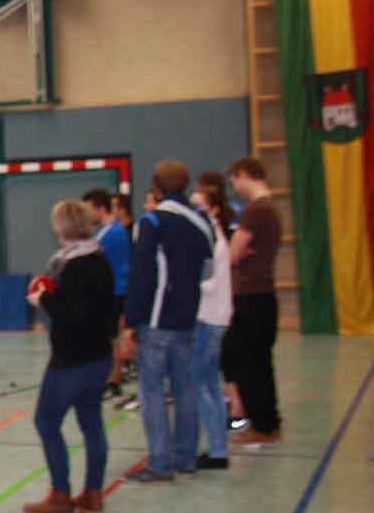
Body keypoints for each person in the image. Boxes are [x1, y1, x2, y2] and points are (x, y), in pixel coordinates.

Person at [120, 160, 214, 483]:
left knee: (152, 391)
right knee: (186, 388)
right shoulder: (201, 222)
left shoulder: (151, 222)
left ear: (157, 188)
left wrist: (131, 321)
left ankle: (160, 462)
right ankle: (185, 457)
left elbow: (142, 275)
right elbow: (208, 270)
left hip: (157, 318)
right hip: (187, 316)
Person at [23, 200, 116, 513]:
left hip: (72, 359)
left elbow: (70, 313)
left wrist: (43, 298)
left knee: (46, 420)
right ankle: (93, 491)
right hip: (100, 355)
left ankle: (60, 493)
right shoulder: (100, 259)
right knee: (91, 422)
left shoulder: (73, 267)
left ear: (60, 228)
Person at [225, 157, 283, 449]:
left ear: (244, 174)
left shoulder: (256, 211)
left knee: (249, 363)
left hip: (250, 296)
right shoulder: (270, 208)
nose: (234, 187)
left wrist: (236, 249)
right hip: (262, 295)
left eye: (234, 180)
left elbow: (232, 254)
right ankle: (266, 422)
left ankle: (263, 425)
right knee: (258, 361)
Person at [191, 174, 234, 470]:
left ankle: (218, 449)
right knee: (210, 384)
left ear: (214, 209)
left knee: (201, 385)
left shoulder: (212, 241)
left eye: (201, 207)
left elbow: (208, 284)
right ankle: (219, 447)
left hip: (208, 317)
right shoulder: (214, 235)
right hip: (215, 315)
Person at [82, 190, 131, 401]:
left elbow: (87, 254)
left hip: (114, 291)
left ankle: (112, 380)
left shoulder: (110, 232)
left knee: (111, 339)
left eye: (88, 209)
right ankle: (113, 380)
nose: (87, 215)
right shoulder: (111, 230)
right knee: (112, 337)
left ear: (100, 208)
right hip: (115, 290)